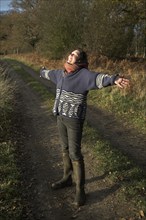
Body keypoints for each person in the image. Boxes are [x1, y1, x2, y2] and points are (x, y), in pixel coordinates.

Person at [40, 49, 129, 207]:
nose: (70, 55)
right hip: (60, 116)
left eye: (74, 55)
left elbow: (98, 78)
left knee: (75, 153)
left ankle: (80, 190)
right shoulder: (61, 74)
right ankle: (67, 178)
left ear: (80, 60)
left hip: (74, 120)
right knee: (65, 148)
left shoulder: (83, 75)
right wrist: (42, 71)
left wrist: (114, 79)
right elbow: (49, 73)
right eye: (70, 53)